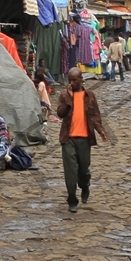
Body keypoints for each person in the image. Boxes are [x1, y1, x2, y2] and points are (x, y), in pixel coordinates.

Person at [54, 66, 108, 212]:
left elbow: (95, 116)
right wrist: (69, 99)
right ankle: (72, 199)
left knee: (83, 171)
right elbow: (60, 114)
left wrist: (101, 131)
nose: (71, 83)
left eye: (74, 80)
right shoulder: (64, 96)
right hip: (68, 139)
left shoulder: (89, 96)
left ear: (81, 79)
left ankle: (85, 186)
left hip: (85, 139)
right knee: (70, 172)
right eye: (69, 80)